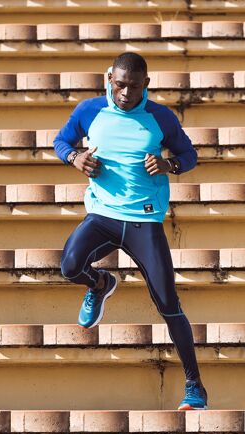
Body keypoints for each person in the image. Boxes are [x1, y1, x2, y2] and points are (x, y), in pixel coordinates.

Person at [53, 52, 208, 410]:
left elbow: (189, 155)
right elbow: (61, 141)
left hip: (145, 220)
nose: (125, 93)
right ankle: (100, 284)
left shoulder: (159, 117)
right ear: (109, 79)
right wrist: (75, 158)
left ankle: (195, 387)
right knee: (69, 266)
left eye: (133, 86)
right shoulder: (90, 110)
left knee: (168, 304)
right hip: (103, 214)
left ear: (146, 85)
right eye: (119, 84)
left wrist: (168, 163)